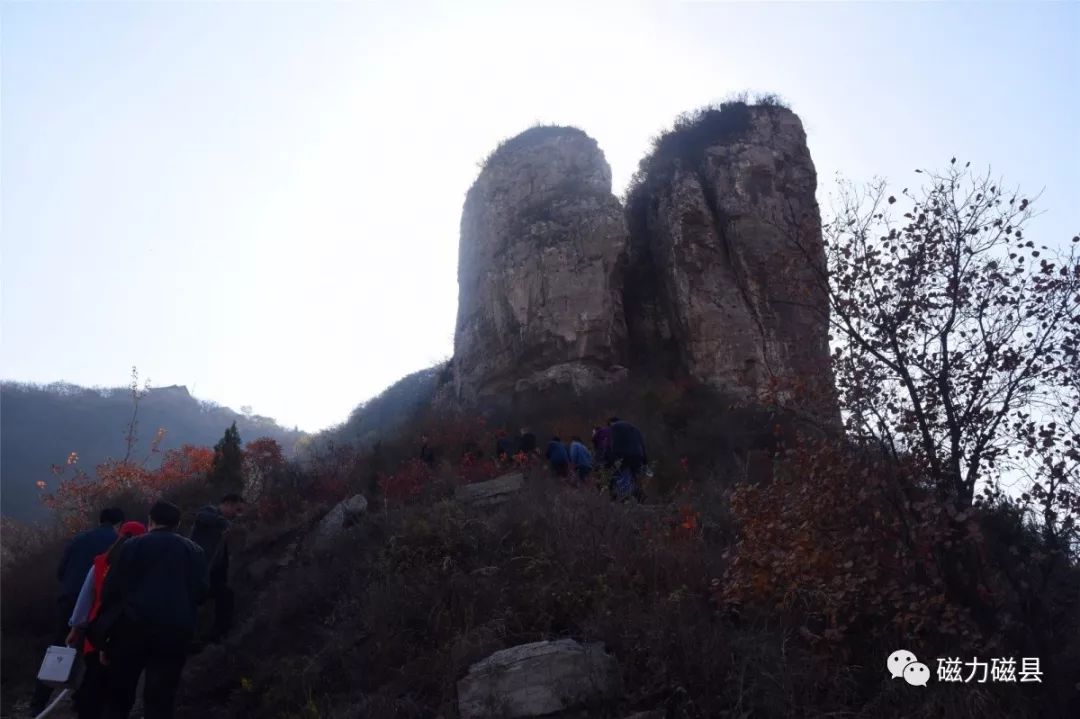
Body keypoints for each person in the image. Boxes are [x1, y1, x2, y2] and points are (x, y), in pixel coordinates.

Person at [96, 500, 208, 719]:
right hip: (175, 632)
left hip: (131, 630)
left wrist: (104, 637)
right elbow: (201, 593)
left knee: (119, 695)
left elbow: (111, 591)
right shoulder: (194, 551)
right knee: (161, 698)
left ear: (150, 520)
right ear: (177, 524)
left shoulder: (132, 546)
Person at [30, 507, 125, 715]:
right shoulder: (119, 544)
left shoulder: (79, 539)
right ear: (119, 524)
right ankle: (82, 699)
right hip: (96, 604)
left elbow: (61, 570)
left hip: (68, 598)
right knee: (92, 654)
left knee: (58, 649)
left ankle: (38, 702)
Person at [65, 521, 148, 719]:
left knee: (94, 683)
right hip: (130, 635)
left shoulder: (101, 562)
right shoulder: (145, 567)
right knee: (122, 688)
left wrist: (75, 628)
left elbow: (85, 598)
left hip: (97, 633)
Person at [189, 494, 245, 643]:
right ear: (228, 504)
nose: (238, 515)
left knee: (225, 595)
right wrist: (222, 522)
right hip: (195, 573)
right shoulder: (209, 512)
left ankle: (217, 636)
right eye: (237, 510)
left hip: (210, 574)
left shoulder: (225, 524)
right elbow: (201, 516)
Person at [608, 418, 648, 501]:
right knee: (635, 477)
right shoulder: (635, 428)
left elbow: (614, 444)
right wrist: (645, 459)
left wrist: (613, 458)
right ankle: (640, 495)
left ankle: (624, 499)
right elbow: (642, 443)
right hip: (638, 455)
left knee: (623, 476)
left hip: (624, 456)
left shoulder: (615, 427)